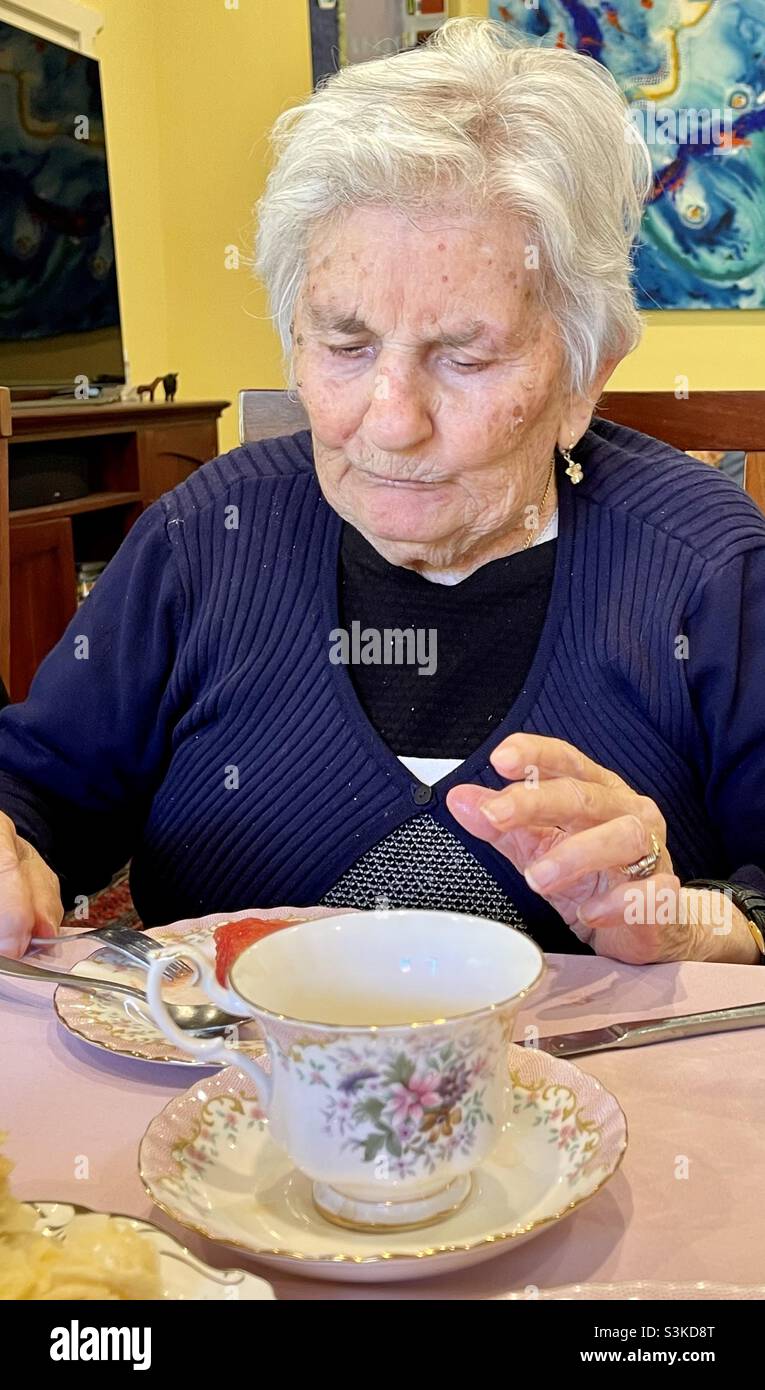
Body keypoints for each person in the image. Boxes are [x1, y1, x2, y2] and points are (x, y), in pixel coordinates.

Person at [0, 18, 763, 966]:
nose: (390, 417)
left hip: (600, 1110)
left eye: (465, 354)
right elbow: (34, 794)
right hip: (225, 1108)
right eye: (345, 345)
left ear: (581, 379)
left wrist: (684, 920)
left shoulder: (708, 568)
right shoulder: (203, 539)